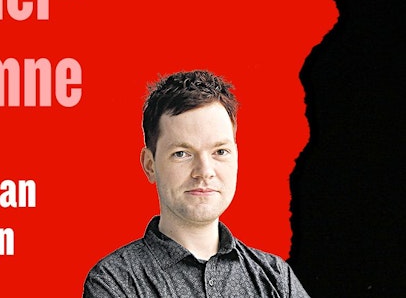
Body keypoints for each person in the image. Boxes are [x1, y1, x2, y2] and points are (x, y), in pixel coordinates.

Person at [84, 70, 309, 297]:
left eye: (220, 151)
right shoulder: (114, 282)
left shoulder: (276, 277)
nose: (204, 172)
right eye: (182, 153)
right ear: (150, 165)